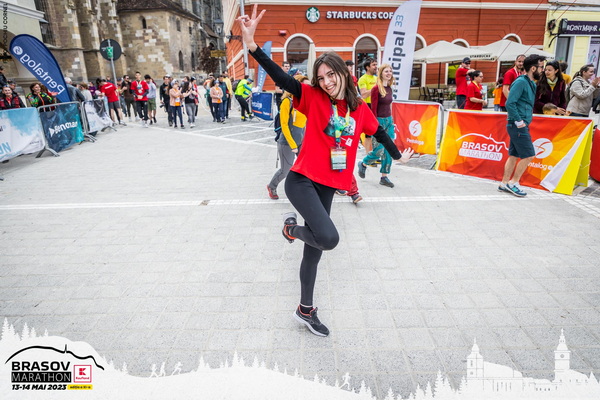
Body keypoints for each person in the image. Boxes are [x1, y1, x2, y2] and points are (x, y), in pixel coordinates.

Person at [238, 4, 414, 337]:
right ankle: (291, 229)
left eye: (330, 75)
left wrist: (397, 157)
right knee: (329, 238)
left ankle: (305, 310)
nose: (326, 82)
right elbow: (282, 79)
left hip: (328, 185)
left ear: (342, 73)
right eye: (321, 77)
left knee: (315, 249)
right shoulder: (313, 97)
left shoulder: (358, 108)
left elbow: (378, 131)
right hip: (302, 180)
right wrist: (252, 46)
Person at [498, 54, 546, 197]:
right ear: (533, 68)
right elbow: (510, 103)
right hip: (517, 124)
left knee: (514, 155)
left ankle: (504, 183)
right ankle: (513, 183)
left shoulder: (530, 83)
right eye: (541, 67)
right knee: (529, 155)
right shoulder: (521, 82)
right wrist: (519, 121)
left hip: (519, 124)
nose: (542, 70)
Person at [357, 63, 403, 188]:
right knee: (379, 150)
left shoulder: (389, 88)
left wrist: (392, 119)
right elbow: (374, 108)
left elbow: (390, 105)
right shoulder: (376, 89)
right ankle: (364, 163)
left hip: (389, 121)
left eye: (390, 71)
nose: (389, 73)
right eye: (386, 71)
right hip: (378, 121)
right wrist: (375, 124)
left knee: (389, 149)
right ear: (381, 73)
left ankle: (384, 176)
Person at [267, 74, 309, 200]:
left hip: (300, 141)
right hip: (286, 143)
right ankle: (271, 186)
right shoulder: (287, 102)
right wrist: (292, 145)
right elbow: (284, 125)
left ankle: (303, 189)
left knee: (306, 167)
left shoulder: (304, 102)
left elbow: (305, 123)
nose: (307, 88)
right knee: (285, 170)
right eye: (304, 86)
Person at [358, 57, 378, 152]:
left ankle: (376, 153)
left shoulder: (377, 78)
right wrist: (375, 89)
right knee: (368, 133)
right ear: (367, 67)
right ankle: (367, 154)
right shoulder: (363, 79)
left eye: (376, 64)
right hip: (368, 106)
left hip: (377, 105)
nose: (376, 67)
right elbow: (364, 94)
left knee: (377, 131)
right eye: (373, 65)